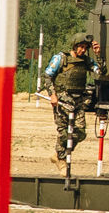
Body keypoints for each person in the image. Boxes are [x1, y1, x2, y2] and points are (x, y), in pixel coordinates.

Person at [43, 33, 105, 168]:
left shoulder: (87, 61)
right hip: (62, 101)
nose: (82, 50)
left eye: (85, 48)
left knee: (80, 132)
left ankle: (58, 154)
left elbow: (100, 72)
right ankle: (61, 159)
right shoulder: (61, 58)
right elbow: (47, 76)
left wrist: (98, 54)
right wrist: (52, 95)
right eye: (80, 47)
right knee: (64, 132)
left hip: (78, 101)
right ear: (75, 46)